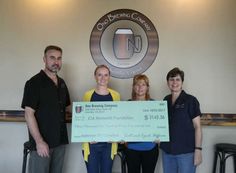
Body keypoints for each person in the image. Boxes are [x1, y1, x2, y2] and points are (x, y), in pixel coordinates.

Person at [21, 45, 71, 173]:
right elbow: (28, 114)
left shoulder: (62, 83)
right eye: (52, 58)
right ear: (44, 59)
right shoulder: (34, 83)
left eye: (59, 58)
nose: (56, 62)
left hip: (60, 142)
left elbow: (68, 109)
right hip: (42, 144)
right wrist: (39, 141)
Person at [160, 67, 202, 173]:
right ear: (167, 82)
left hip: (186, 152)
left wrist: (198, 150)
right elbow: (161, 124)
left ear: (182, 82)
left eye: (177, 79)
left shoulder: (191, 100)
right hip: (167, 151)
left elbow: (197, 126)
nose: (174, 82)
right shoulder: (166, 100)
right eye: (171, 79)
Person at [82, 65, 120, 173]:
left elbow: (118, 119)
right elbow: (83, 120)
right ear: (95, 76)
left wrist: (116, 136)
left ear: (109, 77)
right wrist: (87, 136)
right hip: (91, 144)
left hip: (109, 144)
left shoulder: (116, 96)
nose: (103, 78)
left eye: (106, 75)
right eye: (99, 75)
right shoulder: (87, 95)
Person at [125, 74, 159, 173]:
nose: (140, 87)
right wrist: (122, 136)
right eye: (137, 84)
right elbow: (123, 126)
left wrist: (160, 135)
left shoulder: (155, 105)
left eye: (143, 84)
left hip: (150, 148)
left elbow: (158, 126)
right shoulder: (126, 105)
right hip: (131, 149)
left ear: (147, 87)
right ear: (133, 87)